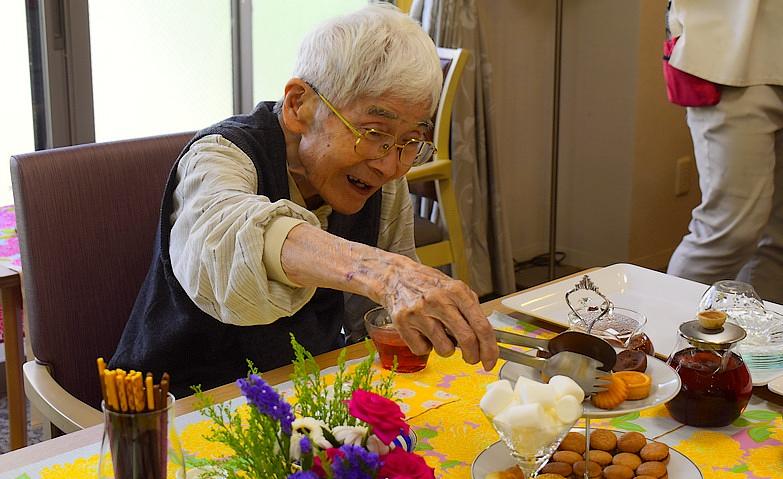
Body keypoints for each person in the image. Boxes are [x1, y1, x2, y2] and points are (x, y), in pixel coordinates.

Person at [110, 4, 498, 397]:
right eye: (374, 132)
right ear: (299, 105)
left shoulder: (380, 178)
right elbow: (231, 241)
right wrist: (385, 273)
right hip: (174, 408)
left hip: (305, 396)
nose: (391, 165)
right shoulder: (219, 156)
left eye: (410, 141)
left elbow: (376, 322)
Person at [665, 0, 783, 303]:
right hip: (731, 53)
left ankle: (754, 333)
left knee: (778, 237)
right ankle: (667, 329)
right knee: (729, 232)